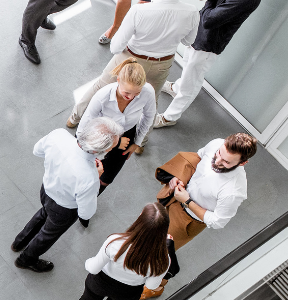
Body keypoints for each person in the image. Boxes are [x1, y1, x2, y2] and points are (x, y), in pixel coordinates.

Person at [67, 0, 199, 155]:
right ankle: (141, 143)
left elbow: (115, 46)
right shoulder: (192, 12)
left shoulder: (139, 10)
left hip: (131, 58)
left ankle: (75, 118)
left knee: (100, 87)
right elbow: (188, 41)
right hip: (161, 64)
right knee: (152, 101)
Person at [142, 133, 254, 298]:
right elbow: (199, 157)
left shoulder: (234, 191)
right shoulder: (217, 143)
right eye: (219, 154)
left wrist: (187, 201)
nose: (217, 161)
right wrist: (176, 179)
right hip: (174, 196)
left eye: (226, 162)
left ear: (243, 163)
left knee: (161, 250)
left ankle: (156, 287)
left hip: (188, 219)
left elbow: (217, 222)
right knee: (149, 231)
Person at [12, 117, 123, 273]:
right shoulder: (90, 177)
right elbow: (86, 213)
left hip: (46, 190)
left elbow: (37, 150)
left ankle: (19, 242)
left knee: (43, 213)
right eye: (111, 148)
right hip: (63, 209)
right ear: (97, 151)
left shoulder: (59, 135)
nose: (112, 150)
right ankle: (26, 259)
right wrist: (97, 177)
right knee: (48, 234)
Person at [153, 0, 262, 128]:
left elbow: (210, 20)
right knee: (188, 67)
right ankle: (177, 88)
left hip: (209, 43)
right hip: (200, 33)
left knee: (192, 81)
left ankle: (170, 117)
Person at [75, 58, 156, 195]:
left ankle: (92, 197)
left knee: (107, 178)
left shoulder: (148, 92)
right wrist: (116, 142)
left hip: (127, 133)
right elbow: (84, 128)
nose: (132, 97)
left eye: (137, 93)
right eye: (127, 93)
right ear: (118, 80)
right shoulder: (102, 96)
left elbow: (148, 117)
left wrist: (137, 142)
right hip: (101, 134)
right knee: (85, 171)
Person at [81, 203, 171, 300]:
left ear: (140, 218)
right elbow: (151, 286)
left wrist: (88, 262)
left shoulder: (116, 241)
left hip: (100, 283)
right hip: (128, 293)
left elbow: (93, 269)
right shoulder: (163, 260)